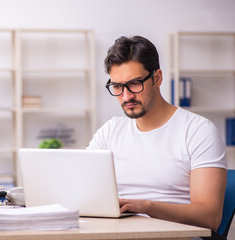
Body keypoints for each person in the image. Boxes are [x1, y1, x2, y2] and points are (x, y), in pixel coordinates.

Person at [87, 35, 227, 231]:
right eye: (117, 87)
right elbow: (83, 187)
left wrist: (147, 207)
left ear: (157, 78)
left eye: (135, 83)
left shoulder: (198, 131)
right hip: (116, 233)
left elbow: (210, 217)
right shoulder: (110, 131)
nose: (126, 96)